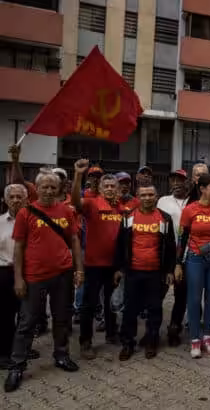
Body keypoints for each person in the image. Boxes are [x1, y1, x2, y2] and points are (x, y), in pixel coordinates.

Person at [4, 170, 84, 393]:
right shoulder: (25, 213)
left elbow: (75, 240)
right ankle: (17, 365)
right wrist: (19, 279)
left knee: (61, 318)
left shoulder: (66, 211)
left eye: (53, 187)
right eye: (44, 187)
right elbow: (18, 248)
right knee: (27, 322)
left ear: (59, 189)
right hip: (34, 277)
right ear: (36, 189)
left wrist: (79, 269)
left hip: (63, 274)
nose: (49, 191)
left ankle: (61, 355)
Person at [114, 185, 175, 361]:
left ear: (156, 196)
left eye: (150, 194)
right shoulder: (128, 217)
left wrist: (169, 270)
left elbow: (170, 246)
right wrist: (119, 268)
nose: (147, 198)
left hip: (156, 273)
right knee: (130, 310)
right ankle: (127, 343)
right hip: (133, 272)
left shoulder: (164, 218)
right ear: (138, 197)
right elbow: (120, 244)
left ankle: (151, 341)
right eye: (143, 195)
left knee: (155, 309)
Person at [71, 160, 122, 359]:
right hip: (93, 264)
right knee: (88, 305)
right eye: (106, 186)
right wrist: (77, 175)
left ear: (117, 189)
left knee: (111, 303)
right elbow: (75, 201)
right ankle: (85, 341)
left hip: (113, 265)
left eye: (113, 186)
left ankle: (111, 333)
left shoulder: (122, 208)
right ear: (100, 189)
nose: (110, 189)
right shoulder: (92, 204)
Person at [176, 175, 210, 358]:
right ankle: (195, 339)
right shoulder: (190, 210)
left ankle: (207, 336)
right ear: (202, 189)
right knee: (194, 298)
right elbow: (182, 238)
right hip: (195, 259)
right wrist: (177, 264)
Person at [0, 184, 38, 370]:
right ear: (5, 200)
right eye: (12, 197)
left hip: (29, 273)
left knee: (27, 316)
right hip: (5, 274)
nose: (15, 200)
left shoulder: (34, 221)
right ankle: (4, 353)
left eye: (19, 197)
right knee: (5, 316)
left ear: (26, 200)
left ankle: (21, 349)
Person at [157, 170, 190, 347]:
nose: (176, 183)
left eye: (180, 180)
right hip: (165, 254)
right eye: (173, 180)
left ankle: (174, 328)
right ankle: (153, 330)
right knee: (159, 294)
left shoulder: (193, 201)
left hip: (185, 255)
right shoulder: (162, 201)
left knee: (180, 295)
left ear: (187, 182)